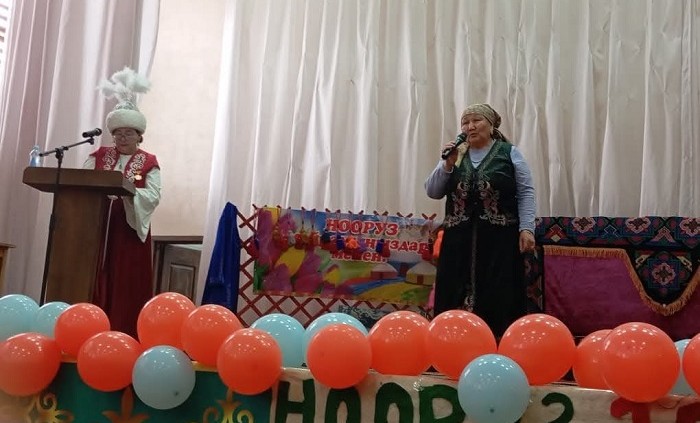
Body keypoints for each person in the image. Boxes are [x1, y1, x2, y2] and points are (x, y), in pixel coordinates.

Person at [424, 103, 536, 337]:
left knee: (498, 292)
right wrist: (447, 164)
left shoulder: (509, 153)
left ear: (491, 125)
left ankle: (497, 342)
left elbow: (526, 192)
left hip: (499, 240)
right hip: (458, 241)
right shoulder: (456, 154)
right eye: (465, 122)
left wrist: (527, 228)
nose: (470, 126)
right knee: (454, 290)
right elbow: (433, 191)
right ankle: (451, 343)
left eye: (477, 120)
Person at [83, 67, 161, 337]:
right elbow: (82, 185)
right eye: (118, 133)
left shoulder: (148, 162)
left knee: (126, 281)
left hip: (129, 228)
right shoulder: (98, 156)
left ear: (139, 135)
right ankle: (88, 329)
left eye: (129, 133)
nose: (122, 138)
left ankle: (124, 333)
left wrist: (129, 194)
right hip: (96, 226)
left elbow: (153, 195)